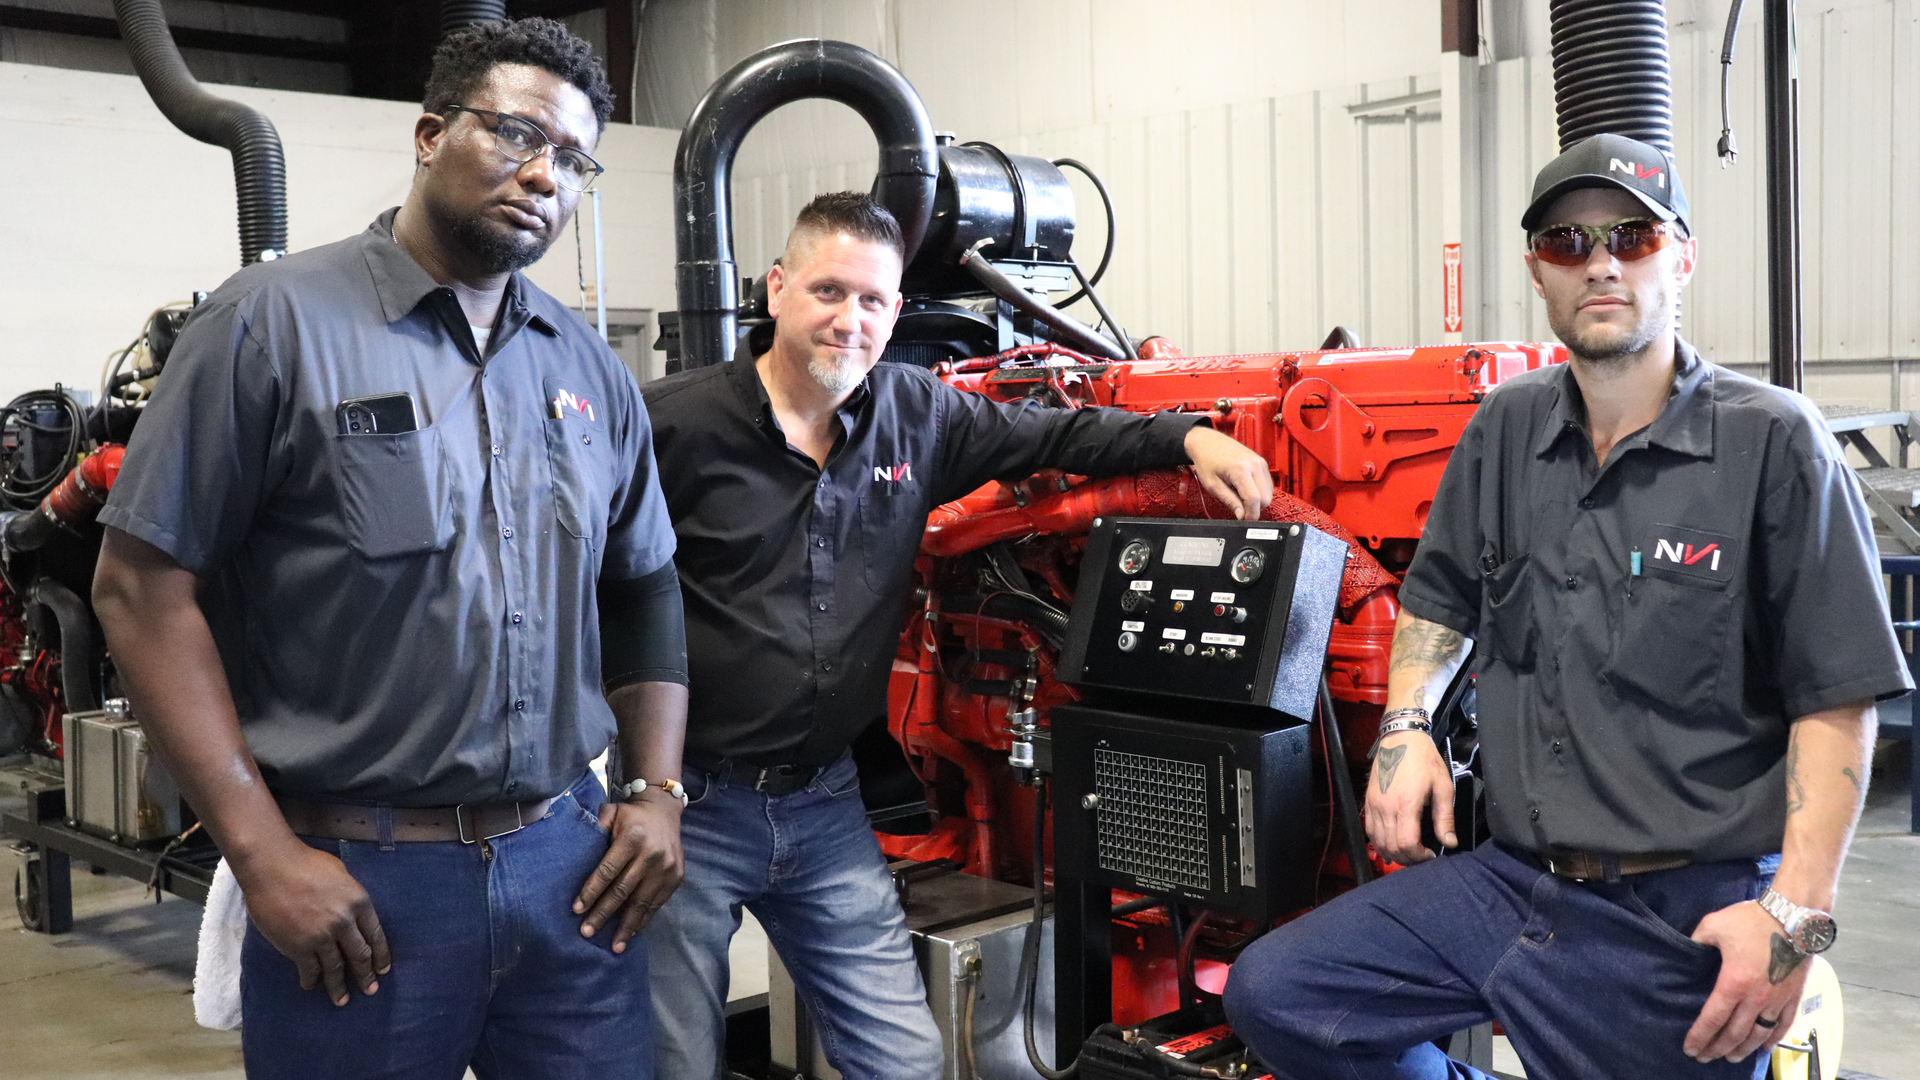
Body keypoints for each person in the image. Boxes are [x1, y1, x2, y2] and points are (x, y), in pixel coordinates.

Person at [1222, 132, 1913, 1079]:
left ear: (1682, 258)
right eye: (1567, 241)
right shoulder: (1506, 427)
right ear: (1537, 272)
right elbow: (1440, 595)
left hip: (1675, 914)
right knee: (1281, 994)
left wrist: (1793, 918)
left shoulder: (1773, 444)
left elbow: (1837, 697)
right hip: (1513, 884)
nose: (1600, 264)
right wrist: (1406, 727)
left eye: (1632, 237)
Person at [91, 19, 690, 1080]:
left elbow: (642, 584)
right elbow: (140, 589)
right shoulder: (269, 327)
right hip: (359, 885)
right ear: (428, 135)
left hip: (570, 870)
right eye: (516, 134)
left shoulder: (589, 368)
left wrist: (656, 791)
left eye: (574, 160)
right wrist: (260, 852)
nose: (543, 175)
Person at [642, 191, 1277, 1079]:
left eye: (872, 300)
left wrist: (1189, 439)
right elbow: (585, 589)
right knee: (672, 1057)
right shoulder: (667, 425)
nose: (849, 319)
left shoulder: (919, 412)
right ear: (778, 289)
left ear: (897, 310)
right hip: (693, 800)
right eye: (828, 291)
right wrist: (627, 783)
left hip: (825, 802)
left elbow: (1057, 433)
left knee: (903, 1059)